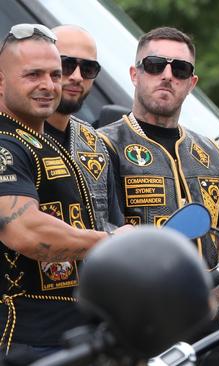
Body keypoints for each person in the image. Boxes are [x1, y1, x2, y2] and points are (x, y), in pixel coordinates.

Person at [98, 27, 219, 365]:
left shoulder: (213, 152)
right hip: (135, 325)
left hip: (206, 326)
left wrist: (218, 290)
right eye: (154, 65)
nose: (167, 75)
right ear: (135, 74)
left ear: (192, 83)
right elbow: (99, 232)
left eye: (180, 69)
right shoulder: (101, 145)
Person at [0, 23, 129, 364]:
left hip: (73, 334)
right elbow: (25, 230)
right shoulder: (4, 143)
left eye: (54, 75)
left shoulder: (48, 143)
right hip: (23, 337)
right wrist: (110, 242)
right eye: (33, 75)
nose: (48, 85)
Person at [45, 25, 122, 231]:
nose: (77, 76)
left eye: (88, 69)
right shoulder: (11, 132)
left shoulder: (93, 141)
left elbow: (112, 223)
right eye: (66, 64)